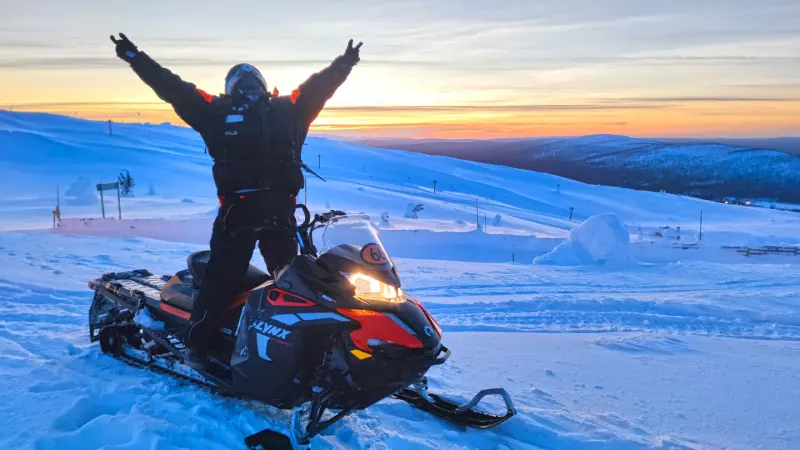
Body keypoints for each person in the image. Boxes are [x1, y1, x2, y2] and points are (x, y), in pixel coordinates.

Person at [110, 33, 362, 368]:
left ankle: (304, 345)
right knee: (226, 281)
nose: (248, 86)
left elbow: (319, 87)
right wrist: (136, 58)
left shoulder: (279, 109)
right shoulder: (238, 110)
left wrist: (343, 64)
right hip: (244, 215)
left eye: (251, 81)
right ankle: (198, 347)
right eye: (243, 82)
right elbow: (174, 88)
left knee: (296, 282)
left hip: (273, 214)